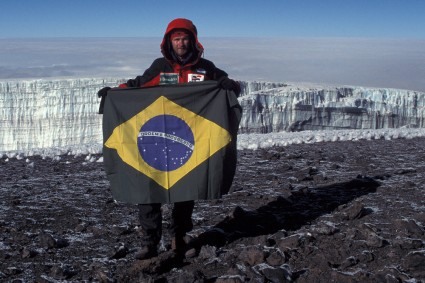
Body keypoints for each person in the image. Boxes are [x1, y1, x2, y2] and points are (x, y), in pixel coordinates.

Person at [98, 18, 240, 260]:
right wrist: (114, 92)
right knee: (148, 189)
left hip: (187, 140)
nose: (181, 43)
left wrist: (230, 85)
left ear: (193, 40)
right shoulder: (160, 67)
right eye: (176, 39)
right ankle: (150, 241)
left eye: (185, 38)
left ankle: (180, 236)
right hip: (154, 140)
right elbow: (139, 85)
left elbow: (228, 87)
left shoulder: (205, 68)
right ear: (169, 41)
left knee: (185, 189)